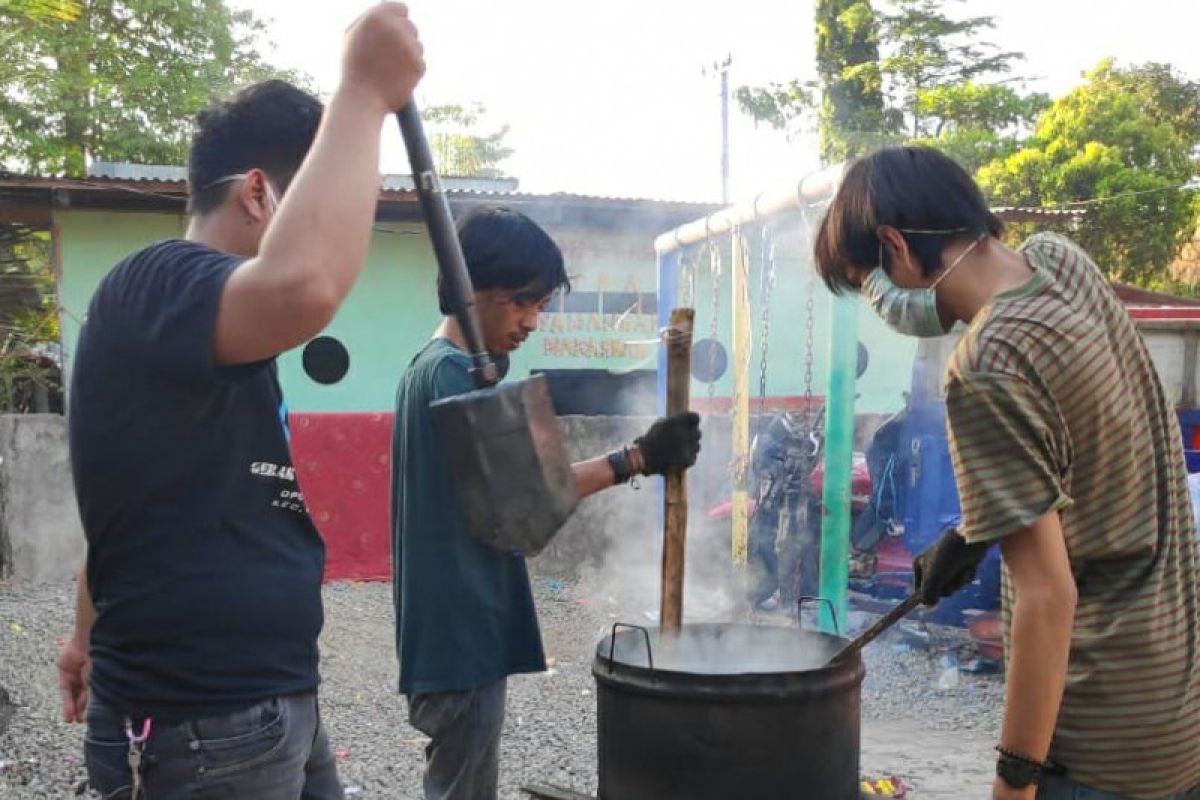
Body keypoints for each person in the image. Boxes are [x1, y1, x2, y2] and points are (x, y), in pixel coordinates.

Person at [55, 6, 425, 798]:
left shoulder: (216, 336)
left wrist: (84, 635)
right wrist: (362, 91)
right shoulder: (154, 282)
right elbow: (305, 287)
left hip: (263, 703)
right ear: (259, 194)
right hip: (200, 723)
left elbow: (133, 500)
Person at [814, 146, 1200, 800]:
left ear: (895, 246)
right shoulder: (1061, 262)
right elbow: (1084, 440)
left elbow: (1050, 597)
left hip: (1101, 738)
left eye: (868, 282)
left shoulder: (985, 362)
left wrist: (1014, 780)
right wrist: (973, 535)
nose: (880, 304)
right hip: (1178, 710)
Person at [391, 205, 702, 800]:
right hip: (460, 638)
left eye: (540, 304)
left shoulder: (429, 370)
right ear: (467, 290)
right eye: (520, 301)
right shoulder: (453, 376)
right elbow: (528, 496)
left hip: (448, 632)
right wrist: (635, 458)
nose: (533, 320)